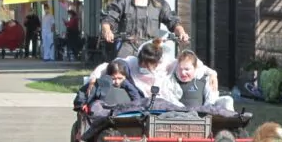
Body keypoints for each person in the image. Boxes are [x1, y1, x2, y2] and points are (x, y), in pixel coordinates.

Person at [100, 0, 189, 59]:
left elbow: (173, 21)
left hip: (151, 50)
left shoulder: (159, 4)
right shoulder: (123, 2)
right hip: (127, 50)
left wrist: (181, 32)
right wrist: (107, 31)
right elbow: (108, 19)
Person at [85, 38, 217, 100]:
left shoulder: (166, 64)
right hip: (139, 102)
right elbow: (105, 66)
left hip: (162, 103)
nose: (145, 68)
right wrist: (92, 80)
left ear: (158, 62)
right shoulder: (132, 62)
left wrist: (213, 74)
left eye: (150, 66)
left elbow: (194, 64)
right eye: (142, 64)